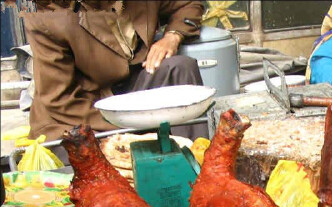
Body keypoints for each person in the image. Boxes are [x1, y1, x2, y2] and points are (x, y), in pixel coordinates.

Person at [23, 0, 207, 142]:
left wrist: (173, 36)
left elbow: (188, 4)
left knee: (180, 67)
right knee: (109, 155)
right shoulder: (48, 15)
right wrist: (135, 128)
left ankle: (199, 162)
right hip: (84, 112)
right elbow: (60, 101)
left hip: (130, 90)